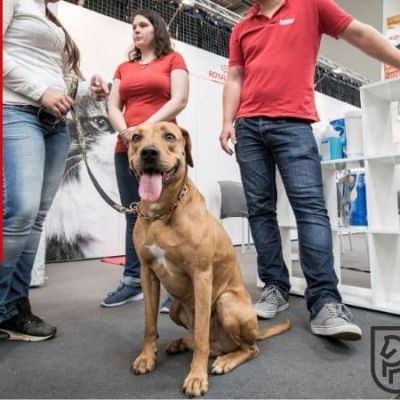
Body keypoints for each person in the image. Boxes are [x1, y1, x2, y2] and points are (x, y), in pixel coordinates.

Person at [220, 0, 400, 340]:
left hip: (294, 123)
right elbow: (235, 76)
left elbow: (358, 33)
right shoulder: (242, 26)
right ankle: (275, 286)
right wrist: (228, 120)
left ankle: (325, 302)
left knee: (311, 210)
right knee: (259, 210)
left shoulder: (310, 5)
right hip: (248, 127)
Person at [1, 0, 109, 341]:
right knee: (20, 213)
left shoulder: (50, 16)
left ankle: (15, 308)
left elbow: (59, 79)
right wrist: (40, 92)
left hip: (54, 124)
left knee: (35, 219)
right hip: (17, 111)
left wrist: (84, 90)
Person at [102, 9, 189, 311]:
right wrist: (126, 132)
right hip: (128, 148)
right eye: (133, 26)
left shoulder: (173, 60)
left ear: (157, 29)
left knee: (172, 214)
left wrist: (146, 129)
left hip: (164, 149)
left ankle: (176, 286)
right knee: (134, 215)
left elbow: (179, 99)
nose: (136, 30)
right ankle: (132, 281)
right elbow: (113, 105)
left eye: (142, 25)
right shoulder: (123, 68)